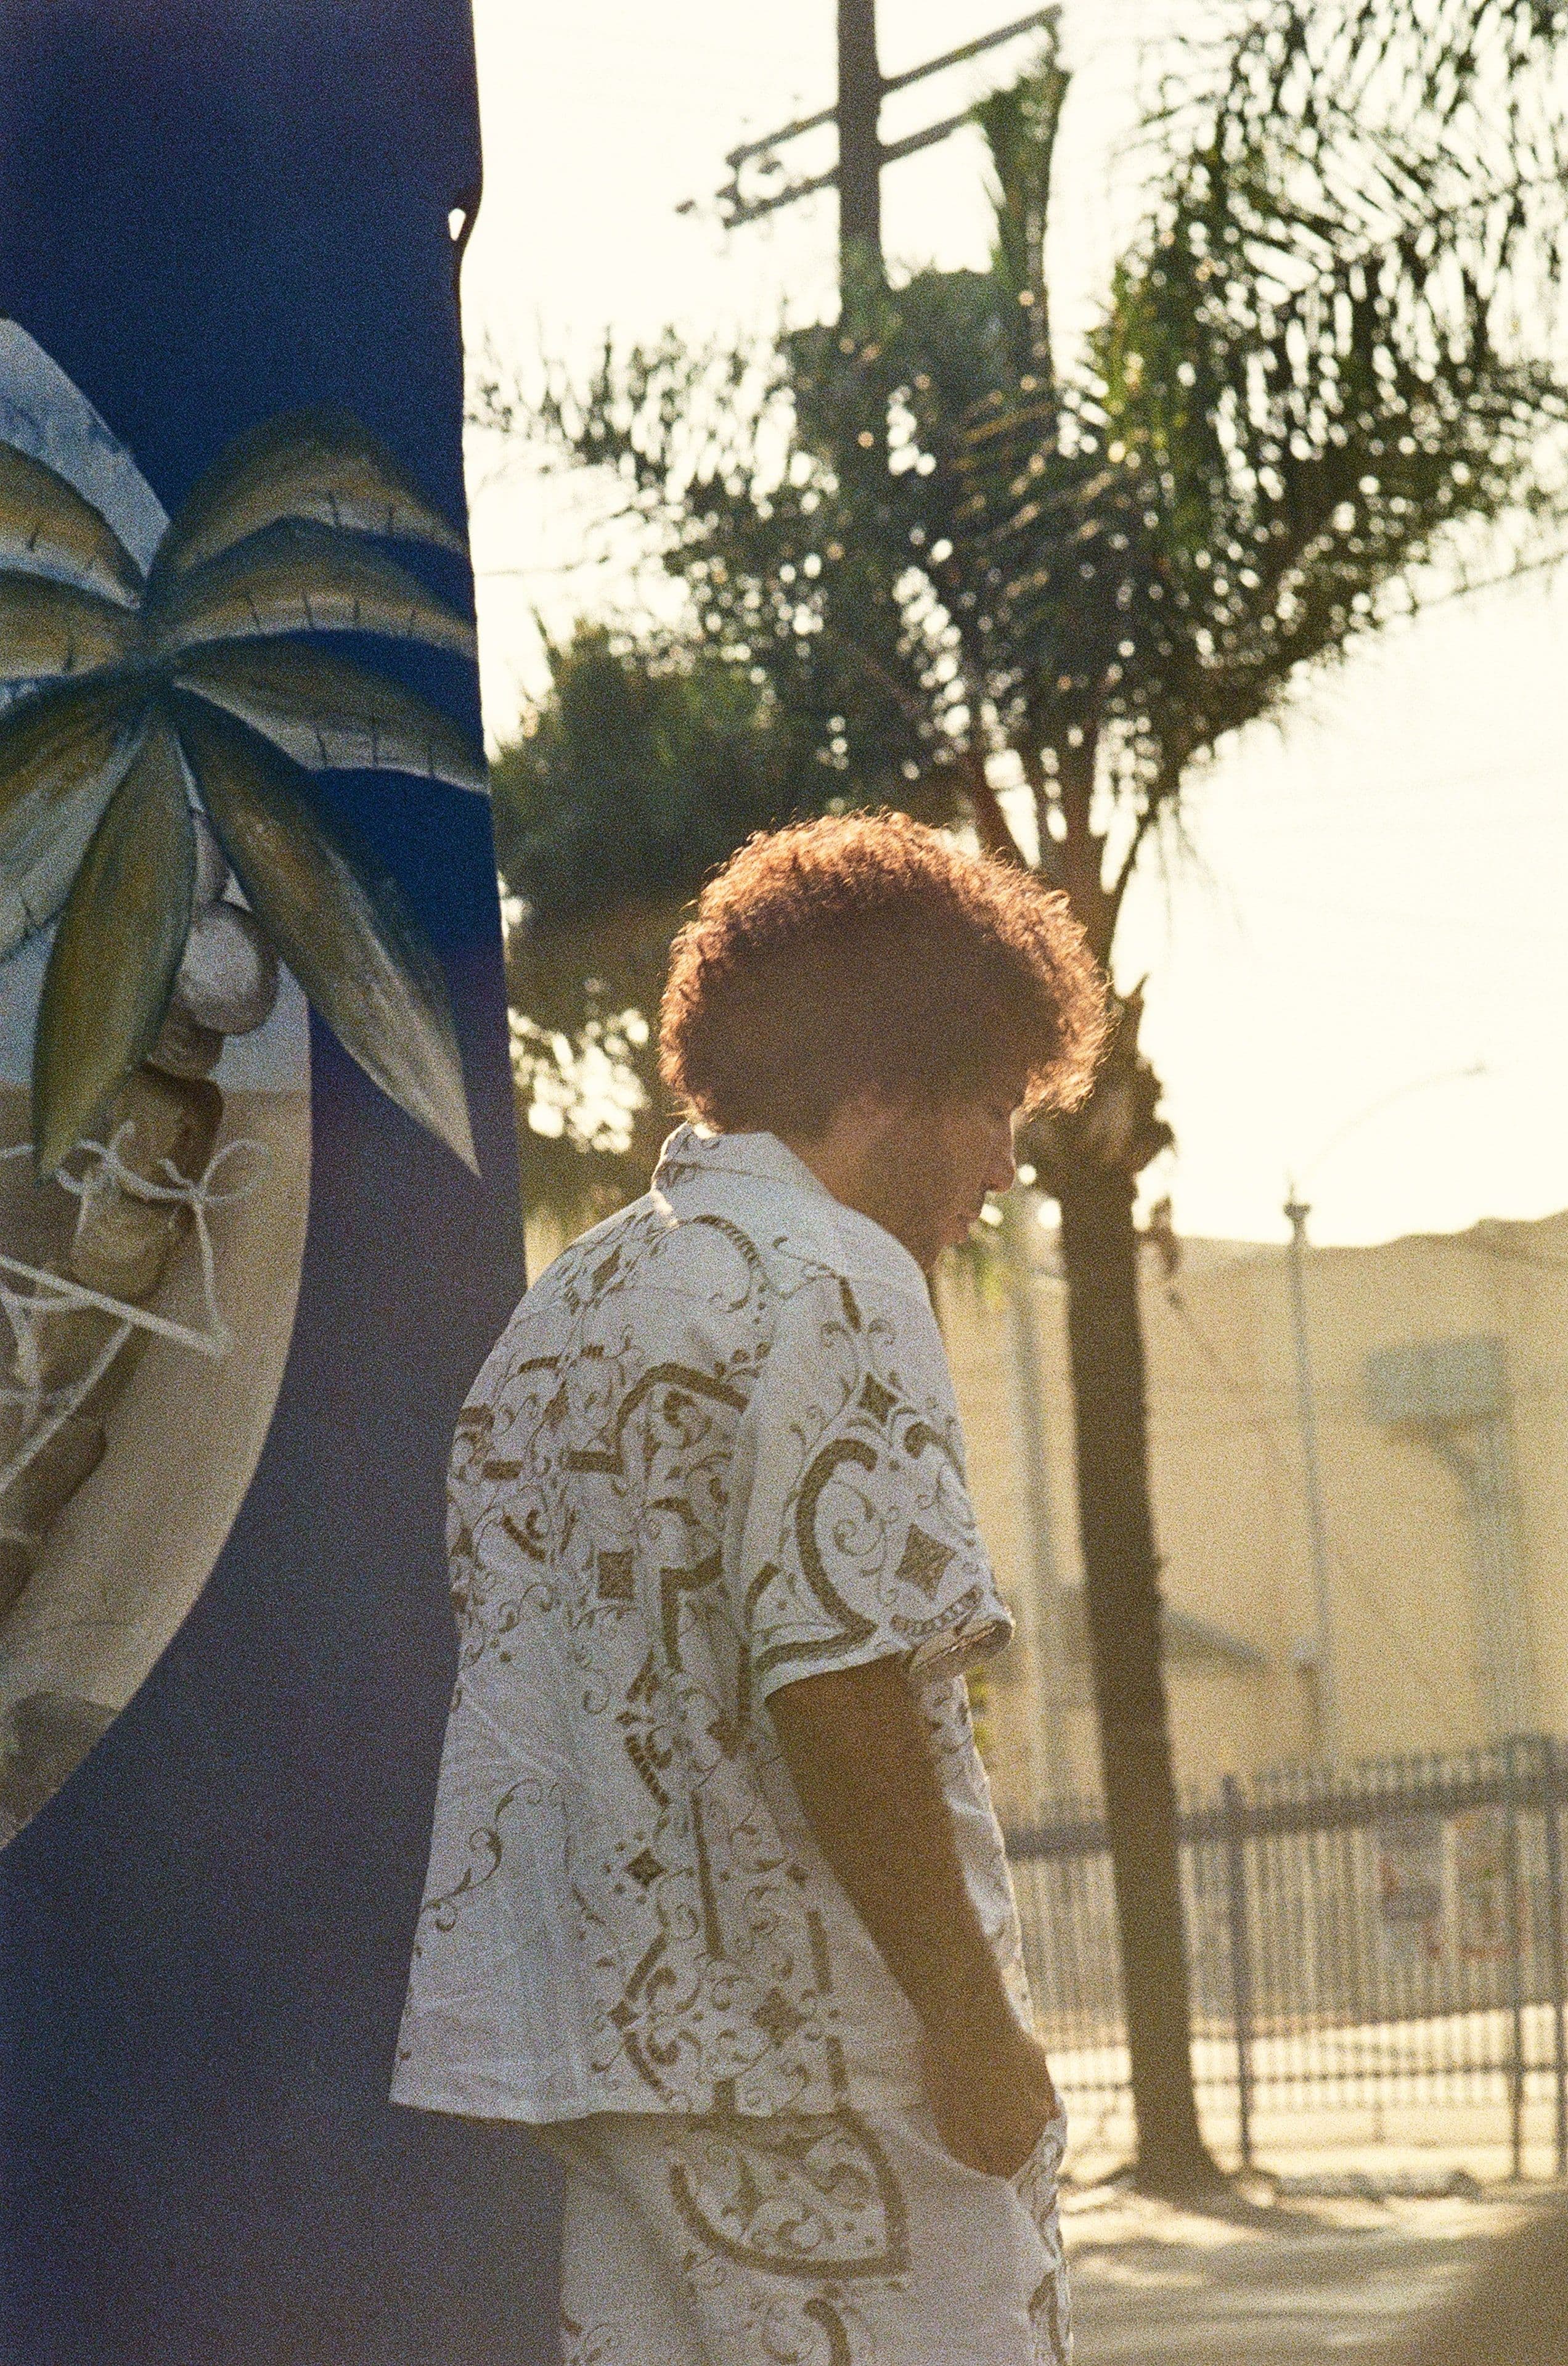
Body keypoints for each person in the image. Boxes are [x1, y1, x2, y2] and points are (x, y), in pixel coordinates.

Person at [391, 811, 1107, 2365]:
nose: (1001, 1165)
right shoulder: (840, 1279)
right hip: (831, 2063)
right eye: (990, 1107)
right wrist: (975, 2028)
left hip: (603, 2068)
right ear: (873, 1078)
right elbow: (835, 1682)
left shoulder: (568, 1309)